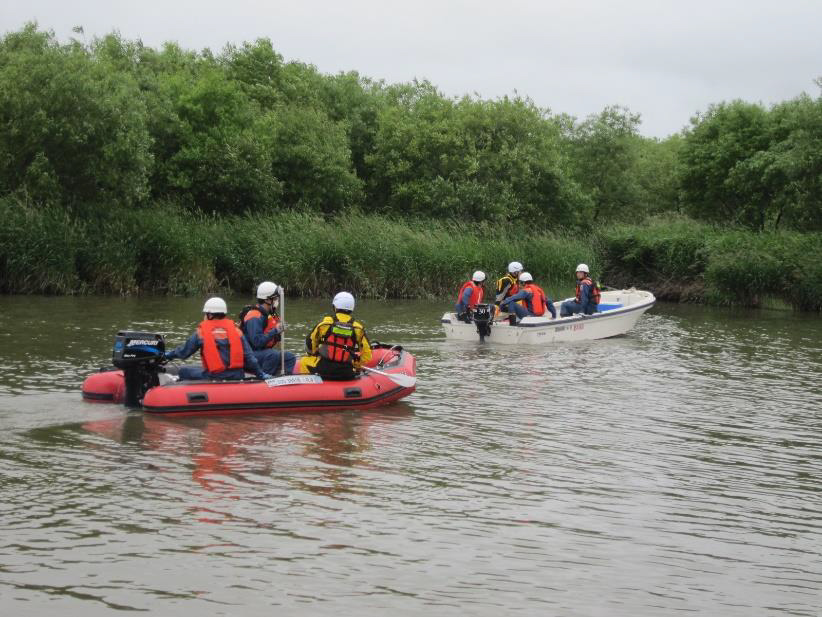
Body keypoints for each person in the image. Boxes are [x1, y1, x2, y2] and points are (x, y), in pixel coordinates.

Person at [164, 297, 270, 381]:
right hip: (237, 375)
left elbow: (184, 352)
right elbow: (250, 358)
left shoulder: (201, 332)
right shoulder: (236, 331)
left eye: (206, 314)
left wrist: (167, 355)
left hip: (216, 376)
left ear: (210, 315)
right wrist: (260, 374)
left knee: (184, 371)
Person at [296, 291, 372, 381]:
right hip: (347, 372)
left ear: (335, 307)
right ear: (352, 308)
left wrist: (315, 354)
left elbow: (310, 344)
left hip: (323, 369)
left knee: (303, 361)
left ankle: (308, 389)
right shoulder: (358, 328)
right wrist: (356, 365)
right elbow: (367, 355)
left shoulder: (324, 324)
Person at [240, 281, 296, 375]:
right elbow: (257, 342)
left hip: (261, 353)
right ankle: (263, 381)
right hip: (248, 356)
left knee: (289, 357)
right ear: (267, 300)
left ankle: (284, 380)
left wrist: (278, 334)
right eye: (275, 299)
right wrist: (275, 331)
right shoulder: (254, 317)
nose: (277, 301)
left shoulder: (268, 315)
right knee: (272, 354)